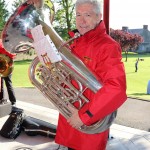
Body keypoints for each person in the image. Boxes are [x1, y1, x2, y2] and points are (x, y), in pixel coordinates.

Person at [27, 0, 127, 149]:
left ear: (99, 16)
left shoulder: (108, 46)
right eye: (78, 15)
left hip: (89, 124)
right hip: (70, 119)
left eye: (87, 14)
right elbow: (69, 78)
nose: (82, 20)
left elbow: (116, 88)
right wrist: (51, 75)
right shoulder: (75, 42)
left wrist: (83, 116)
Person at [0, 40, 16, 105]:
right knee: (2, 85)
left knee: (7, 84)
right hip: (4, 65)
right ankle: (3, 100)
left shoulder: (4, 43)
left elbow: (12, 54)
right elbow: (13, 54)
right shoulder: (4, 42)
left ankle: (12, 101)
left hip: (7, 66)